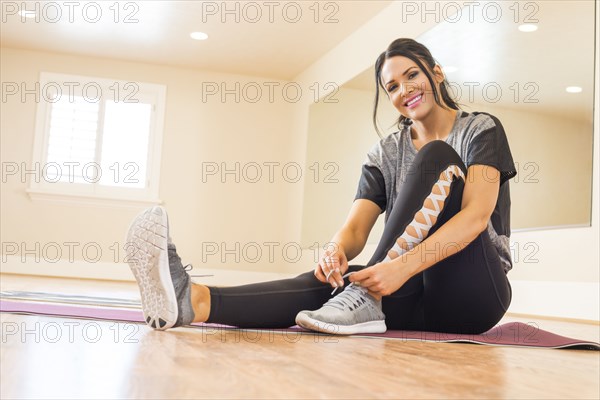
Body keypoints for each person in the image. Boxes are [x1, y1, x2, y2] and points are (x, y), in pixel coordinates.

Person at [126, 38, 516, 336]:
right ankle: (193, 300)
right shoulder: (384, 151)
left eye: (412, 75)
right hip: (409, 293)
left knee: (436, 156)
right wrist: (334, 252)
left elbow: (476, 217)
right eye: (392, 86)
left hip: (473, 293)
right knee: (327, 280)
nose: (404, 90)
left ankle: (366, 296)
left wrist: (394, 271)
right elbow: (356, 230)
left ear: (437, 72)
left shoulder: (480, 129)